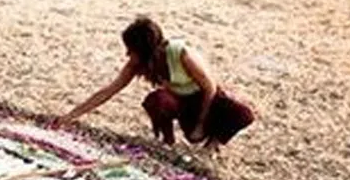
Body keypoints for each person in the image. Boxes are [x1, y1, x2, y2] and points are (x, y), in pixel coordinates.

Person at [56, 16, 255, 154]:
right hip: (181, 102)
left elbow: (209, 87)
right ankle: (166, 141)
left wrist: (201, 124)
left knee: (243, 114)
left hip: (206, 100)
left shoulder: (181, 53)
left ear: (145, 49)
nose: (128, 54)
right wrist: (70, 116)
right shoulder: (138, 63)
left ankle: (212, 145)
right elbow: (108, 91)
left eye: (131, 49)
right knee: (157, 101)